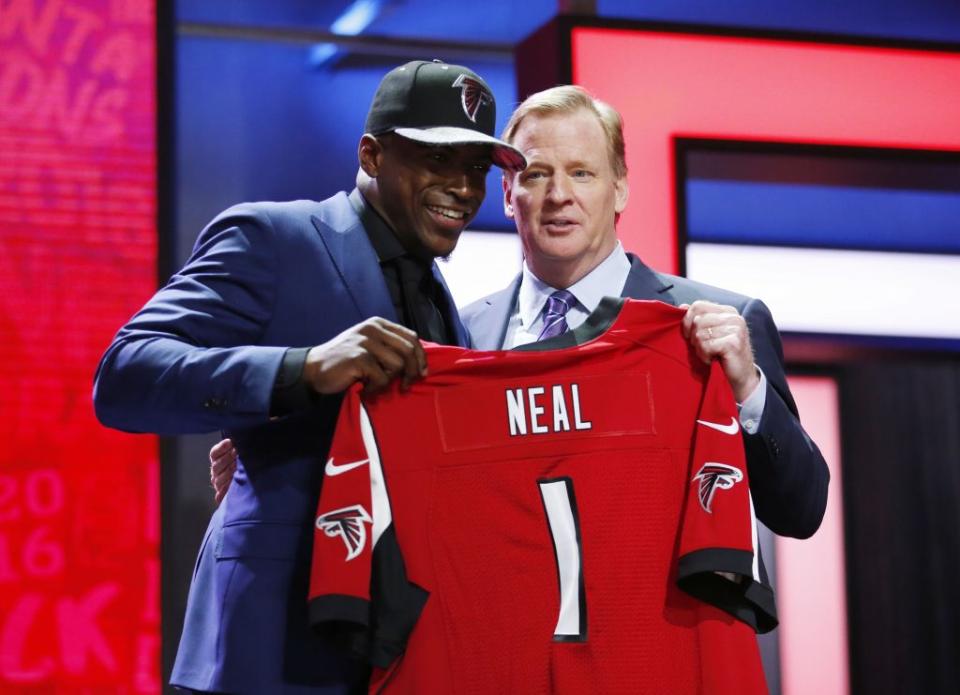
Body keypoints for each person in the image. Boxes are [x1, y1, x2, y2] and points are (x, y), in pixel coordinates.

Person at [93, 60, 524, 694]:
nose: (462, 187)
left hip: (392, 650)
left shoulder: (442, 301)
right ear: (372, 155)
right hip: (268, 645)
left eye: (476, 169)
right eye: (439, 159)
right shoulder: (273, 236)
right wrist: (301, 370)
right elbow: (125, 376)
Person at [460, 85, 828, 538]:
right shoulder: (463, 333)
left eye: (581, 173)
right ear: (506, 193)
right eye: (536, 175)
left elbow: (802, 509)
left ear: (619, 190)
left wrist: (747, 389)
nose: (559, 194)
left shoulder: (723, 320)